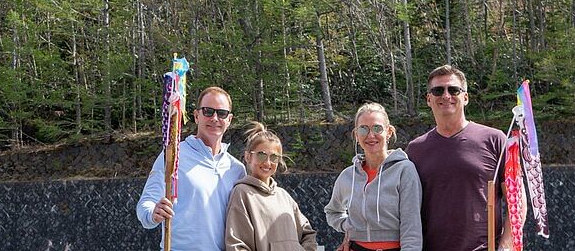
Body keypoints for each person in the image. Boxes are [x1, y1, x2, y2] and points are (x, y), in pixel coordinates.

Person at [405, 65, 525, 251]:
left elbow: (516, 198)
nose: (446, 96)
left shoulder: (495, 140)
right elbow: (402, 208)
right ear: (429, 99)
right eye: (438, 90)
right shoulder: (415, 150)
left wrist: (506, 245)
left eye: (453, 90)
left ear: (466, 97)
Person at [136, 86, 246, 251]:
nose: (215, 118)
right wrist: (153, 213)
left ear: (229, 119)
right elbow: (145, 205)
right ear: (196, 116)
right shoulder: (173, 156)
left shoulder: (237, 169)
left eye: (221, 113)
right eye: (208, 111)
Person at [325, 102, 423, 251]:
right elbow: (332, 211)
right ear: (356, 135)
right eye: (363, 129)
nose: (371, 135)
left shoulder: (404, 170)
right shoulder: (347, 176)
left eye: (377, 128)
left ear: (389, 132)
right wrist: (349, 226)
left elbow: (412, 226)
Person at [225, 122, 317, 251]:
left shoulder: (284, 196)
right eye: (261, 155)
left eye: (274, 157)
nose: (268, 162)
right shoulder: (242, 193)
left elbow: (308, 234)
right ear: (248, 156)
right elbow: (237, 245)